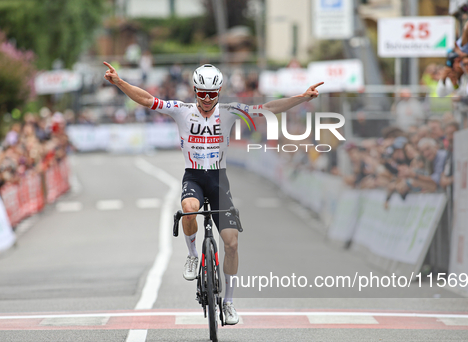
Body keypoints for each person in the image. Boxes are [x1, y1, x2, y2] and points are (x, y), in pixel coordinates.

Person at [103, 61, 324, 324]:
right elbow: (148, 99)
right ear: (195, 91)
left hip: (219, 181)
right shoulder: (182, 110)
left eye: (212, 94)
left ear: (219, 92)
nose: (207, 99)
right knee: (188, 210)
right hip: (194, 176)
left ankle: (228, 303)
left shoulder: (230, 111)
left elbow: (267, 109)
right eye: (202, 93)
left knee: (231, 244)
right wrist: (120, 82)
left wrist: (301, 98)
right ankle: (193, 256)